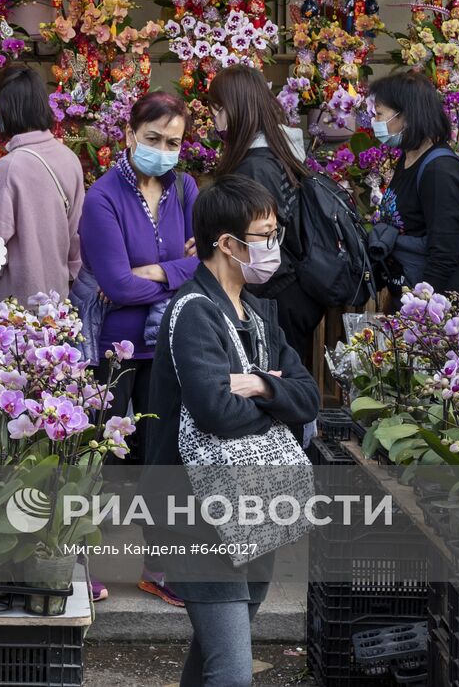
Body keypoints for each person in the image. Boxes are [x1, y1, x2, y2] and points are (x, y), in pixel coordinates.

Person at [147, 175, 320, 686]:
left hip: (255, 506)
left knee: (213, 658)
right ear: (227, 244)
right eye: (264, 235)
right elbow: (215, 412)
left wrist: (260, 386)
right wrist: (278, 396)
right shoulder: (192, 313)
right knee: (232, 672)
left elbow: (308, 399)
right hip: (197, 518)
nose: (273, 246)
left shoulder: (262, 314)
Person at [79, 89, 198, 607]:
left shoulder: (187, 188)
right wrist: (175, 272)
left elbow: (208, 261)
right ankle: (75, 561)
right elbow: (116, 287)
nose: (163, 150)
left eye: (173, 141)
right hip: (110, 345)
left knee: (164, 457)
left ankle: (160, 567)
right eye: (153, 139)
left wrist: (154, 272)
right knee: (93, 457)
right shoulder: (103, 196)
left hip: (165, 342)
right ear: (129, 135)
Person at [208, 66, 323, 360]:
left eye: (217, 110)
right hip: (292, 293)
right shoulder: (278, 152)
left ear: (235, 110)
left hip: (275, 296)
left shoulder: (256, 166)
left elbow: (258, 241)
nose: (215, 119)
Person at [370, 71, 459, 298]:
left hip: (435, 305)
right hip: (409, 291)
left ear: (407, 116)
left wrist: (421, 308)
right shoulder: (409, 157)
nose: (376, 122)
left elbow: (443, 253)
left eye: (380, 115)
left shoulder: (439, 171)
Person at [0, 65, 85, 305]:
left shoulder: (9, 167)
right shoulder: (69, 159)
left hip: (11, 305)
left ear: (7, 108)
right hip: (56, 301)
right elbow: (77, 238)